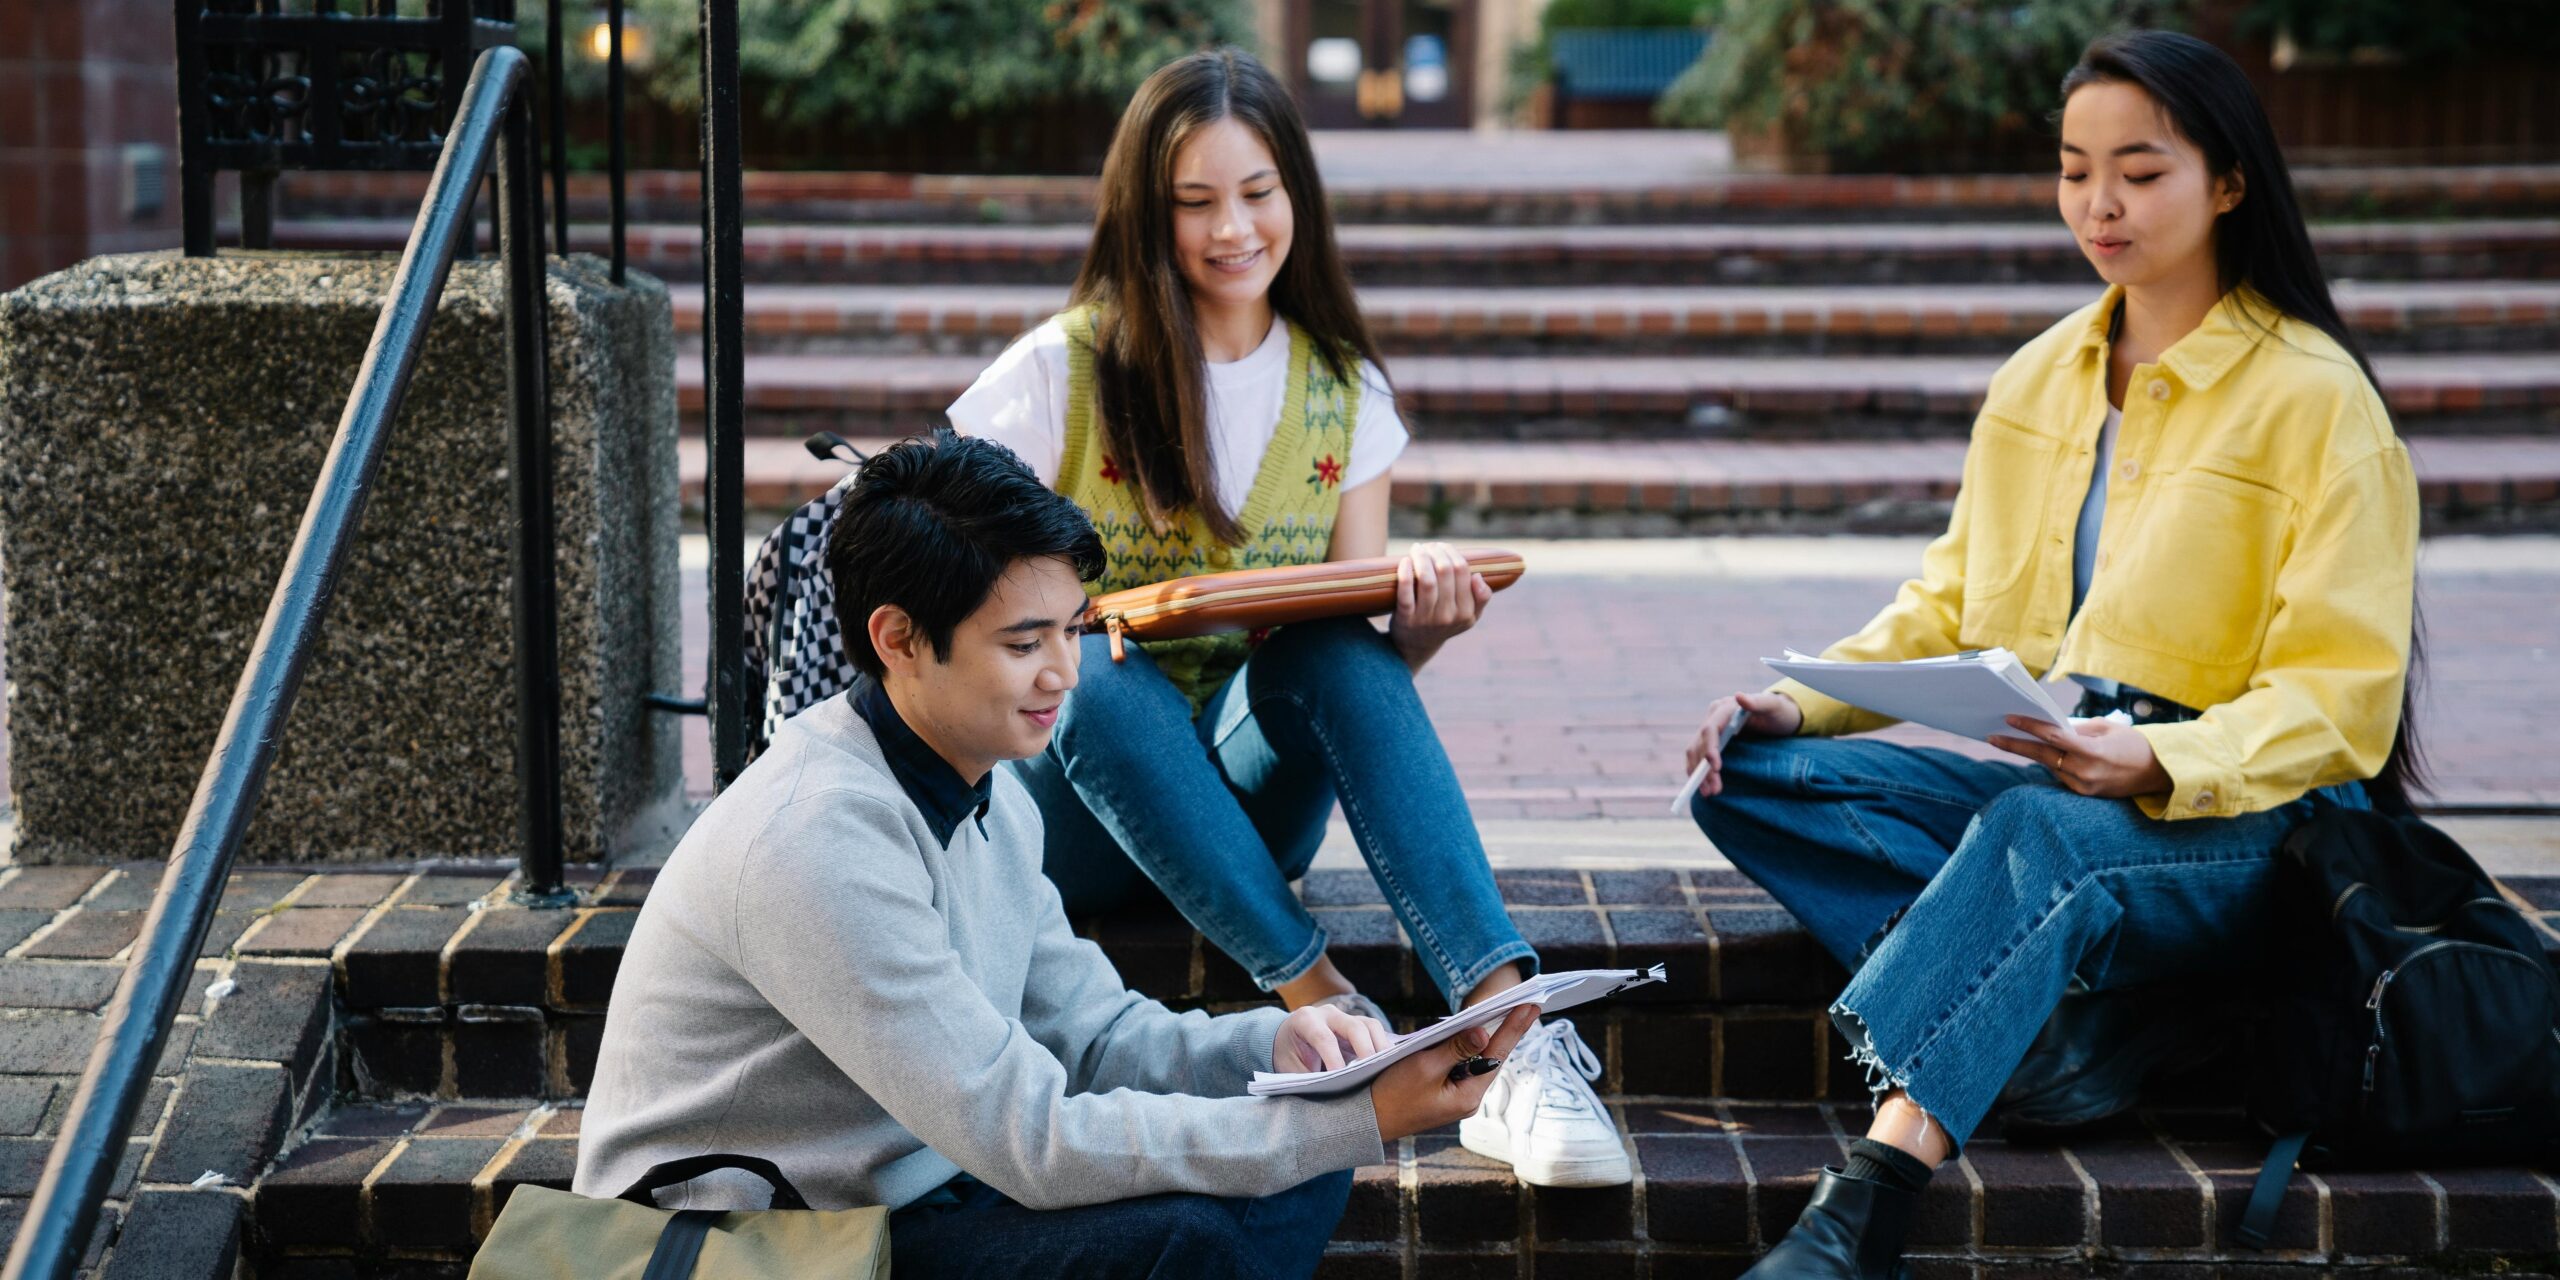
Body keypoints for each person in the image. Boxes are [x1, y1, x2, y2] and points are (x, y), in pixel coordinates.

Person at [1679, 31, 2421, 1276]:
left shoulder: (2316, 399)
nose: (2100, 204)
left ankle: (1866, 1200)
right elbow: (1953, 596)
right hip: (2074, 757)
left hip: (2258, 810)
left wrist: (2155, 758)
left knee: (2036, 838)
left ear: (2228, 181)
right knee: (1745, 776)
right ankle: (2062, 1035)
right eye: (2076, 170)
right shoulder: (2041, 379)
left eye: (2139, 170)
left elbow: (2344, 701)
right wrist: (1794, 702)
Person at [574, 431, 1541, 1279]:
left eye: (1072, 629)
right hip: (761, 1244)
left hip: (912, 1189)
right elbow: (1030, 1135)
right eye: (1023, 642)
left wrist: (1279, 1051)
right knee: (1201, 1235)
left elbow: (1094, 1037)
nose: (1064, 674)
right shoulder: (814, 836)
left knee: (1284, 1175)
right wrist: (1353, 1117)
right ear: (899, 640)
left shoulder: (982, 784)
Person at [944, 46, 1626, 1188]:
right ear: (1142, 213)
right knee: (1091, 669)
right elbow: (957, 604)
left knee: (1331, 648)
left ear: (1296, 197)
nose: (1233, 229)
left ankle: (1510, 1035)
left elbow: (1343, 647)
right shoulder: (1056, 376)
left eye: (1258, 193)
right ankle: (1338, 1017)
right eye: (1194, 202)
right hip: (1068, 813)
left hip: (1247, 811)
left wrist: (1427, 625)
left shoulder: (1342, 386)